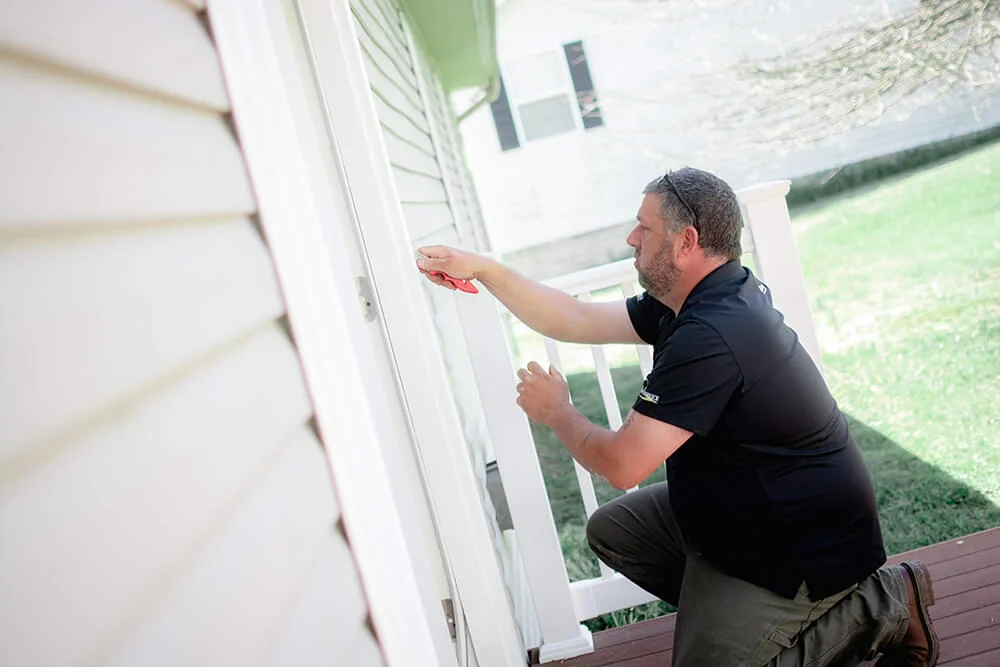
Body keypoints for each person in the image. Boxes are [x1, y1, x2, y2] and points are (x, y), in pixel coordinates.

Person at [417, 167, 939, 667]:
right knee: (615, 530)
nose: (630, 238)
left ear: (686, 242)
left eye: (645, 228)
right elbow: (574, 318)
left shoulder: (712, 333)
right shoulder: (697, 297)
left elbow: (623, 465)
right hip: (739, 517)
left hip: (797, 542)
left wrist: (558, 412)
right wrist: (485, 269)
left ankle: (880, 605)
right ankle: (735, 617)